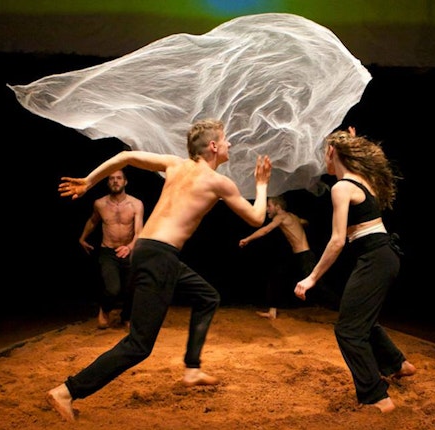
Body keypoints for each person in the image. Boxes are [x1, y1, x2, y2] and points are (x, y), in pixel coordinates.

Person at [47, 118, 272, 422]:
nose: (230, 144)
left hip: (150, 252)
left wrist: (89, 181)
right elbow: (257, 218)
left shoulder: (175, 164)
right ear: (214, 146)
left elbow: (126, 157)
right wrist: (261, 185)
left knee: (207, 297)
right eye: (226, 139)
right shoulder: (218, 182)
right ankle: (67, 390)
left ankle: (192, 369)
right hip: (160, 257)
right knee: (139, 345)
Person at [294, 126, 416, 413]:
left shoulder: (342, 187)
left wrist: (311, 278)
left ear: (333, 152)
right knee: (360, 318)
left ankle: (376, 397)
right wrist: (349, 138)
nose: (324, 157)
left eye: (325, 151)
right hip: (382, 255)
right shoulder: (363, 180)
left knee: (348, 331)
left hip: (376, 257)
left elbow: (337, 241)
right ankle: (398, 364)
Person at [239, 195, 338, 319]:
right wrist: (300, 224)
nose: (267, 209)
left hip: (305, 256)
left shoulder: (281, 217)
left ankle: (342, 309)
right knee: (276, 278)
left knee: (319, 286)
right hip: (298, 256)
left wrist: (247, 239)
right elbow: (304, 221)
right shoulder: (292, 217)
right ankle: (272, 311)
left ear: (278, 207)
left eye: (269, 206)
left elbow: (265, 230)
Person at [79, 169, 144, 330]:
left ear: (125, 182)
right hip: (108, 251)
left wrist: (129, 247)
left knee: (132, 288)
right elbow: (93, 221)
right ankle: (105, 310)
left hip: (129, 250)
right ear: (108, 183)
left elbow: (139, 232)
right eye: (112, 179)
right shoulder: (100, 204)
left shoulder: (136, 204)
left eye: (119, 178)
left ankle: (126, 317)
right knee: (112, 289)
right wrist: (82, 238)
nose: (115, 181)